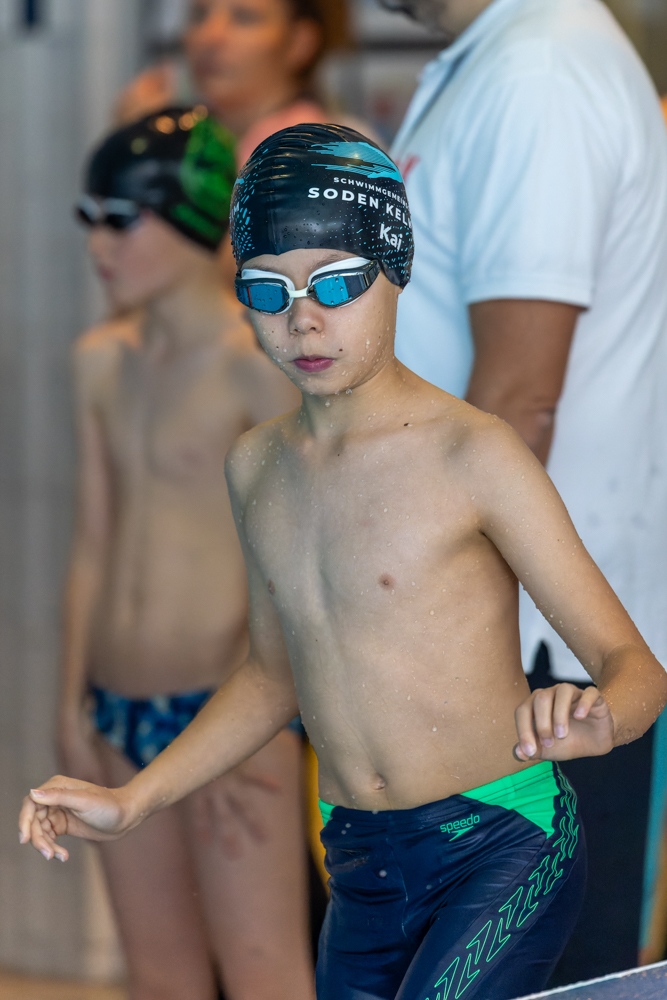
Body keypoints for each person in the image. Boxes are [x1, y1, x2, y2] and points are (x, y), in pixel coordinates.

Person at [19, 124, 667, 1000]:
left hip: (500, 841)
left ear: (394, 269)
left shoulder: (473, 455)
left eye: (336, 282)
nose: (303, 320)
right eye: (267, 290)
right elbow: (270, 675)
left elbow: (635, 669)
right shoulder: (256, 466)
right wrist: (136, 799)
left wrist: (600, 718)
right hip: (359, 859)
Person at [383, 0, 667, 981]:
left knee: (542, 980)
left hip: (530, 652)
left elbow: (518, 397)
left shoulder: (539, 69)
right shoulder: (497, 58)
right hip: (479, 635)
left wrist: (406, 618)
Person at [58, 108, 312, 1000]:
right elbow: (93, 543)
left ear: (192, 219)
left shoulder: (257, 362)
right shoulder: (99, 360)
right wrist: (69, 706)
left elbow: (297, 561)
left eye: (119, 220)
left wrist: (249, 716)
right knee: (159, 975)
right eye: (88, 219)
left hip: (225, 711)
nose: (98, 246)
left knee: (263, 971)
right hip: (115, 713)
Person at [115, 0, 352, 165]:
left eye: (243, 17)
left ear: (299, 43)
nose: (210, 36)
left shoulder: (321, 157)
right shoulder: (195, 135)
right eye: (199, 14)